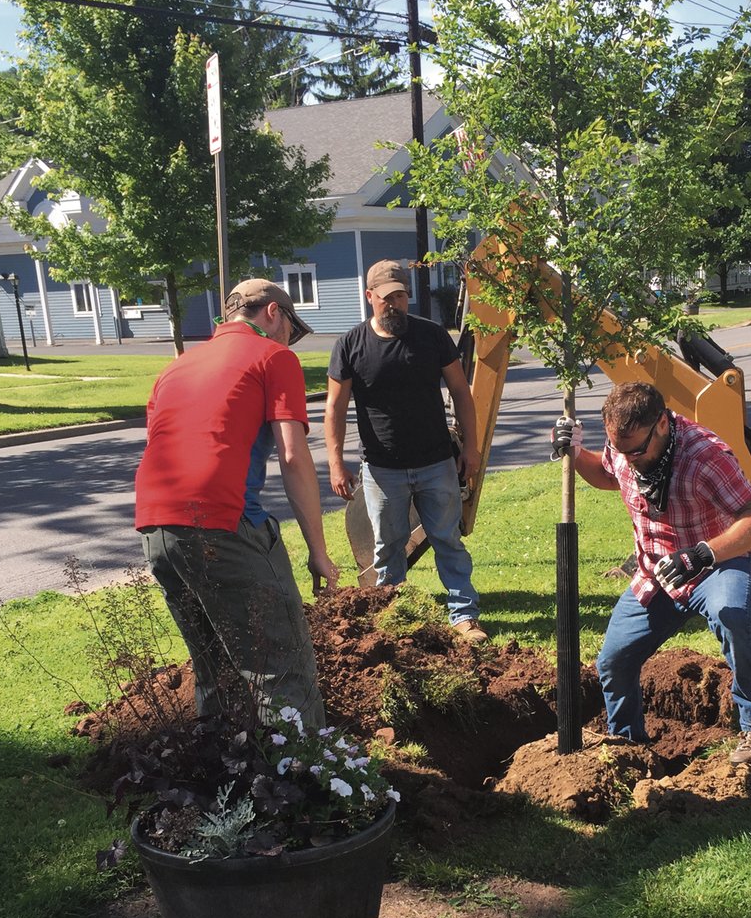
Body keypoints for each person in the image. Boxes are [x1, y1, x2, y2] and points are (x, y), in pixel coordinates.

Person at [135, 278, 339, 729]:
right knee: (281, 665)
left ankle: (223, 779)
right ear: (273, 313)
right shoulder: (275, 356)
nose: (291, 338)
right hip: (222, 525)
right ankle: (305, 783)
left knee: (214, 667)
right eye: (291, 326)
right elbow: (293, 456)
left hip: (156, 528)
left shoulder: (179, 365)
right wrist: (318, 552)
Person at [551, 381, 751, 766]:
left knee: (732, 616)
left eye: (636, 450)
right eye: (620, 449)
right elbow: (609, 476)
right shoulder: (627, 447)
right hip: (656, 571)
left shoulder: (704, 454)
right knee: (613, 661)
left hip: (718, 563)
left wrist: (703, 554)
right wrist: (573, 453)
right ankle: (628, 746)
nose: (629, 458)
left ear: (661, 424)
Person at [324, 259, 487, 643]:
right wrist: (335, 463)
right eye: (387, 298)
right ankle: (396, 620)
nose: (395, 304)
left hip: (436, 462)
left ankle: (464, 617)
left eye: (401, 295)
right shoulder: (350, 345)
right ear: (370, 298)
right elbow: (335, 408)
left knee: (448, 539)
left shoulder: (431, 336)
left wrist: (472, 448)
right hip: (383, 470)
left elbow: (461, 392)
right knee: (388, 548)